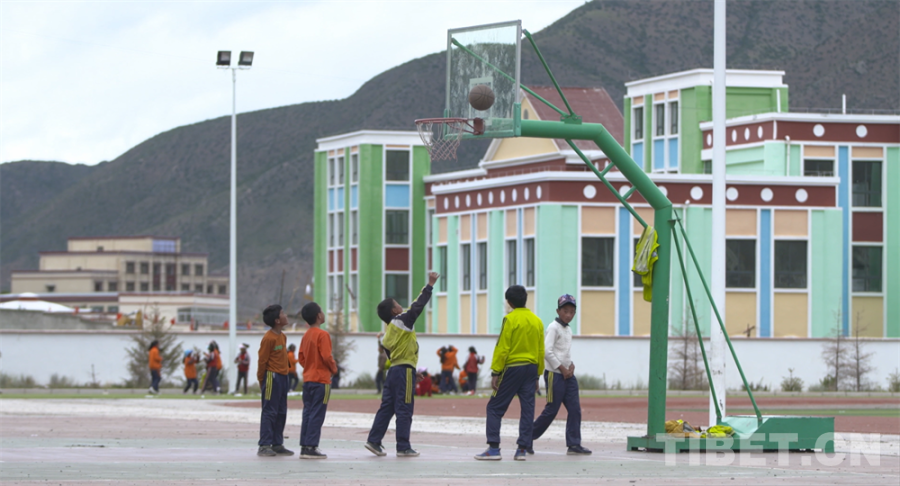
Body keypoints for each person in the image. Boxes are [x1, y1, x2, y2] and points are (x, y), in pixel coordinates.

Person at [365, 271, 439, 458]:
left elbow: (393, 355)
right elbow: (417, 306)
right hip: (404, 371)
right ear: (394, 311)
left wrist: (412, 371)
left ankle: (374, 440)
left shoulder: (388, 332)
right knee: (404, 408)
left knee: (387, 407)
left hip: (394, 372)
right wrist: (429, 285)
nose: (401, 306)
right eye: (397, 304)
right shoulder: (402, 320)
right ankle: (403, 446)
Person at [475, 285, 544, 461]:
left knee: (494, 407)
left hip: (513, 368)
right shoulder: (537, 321)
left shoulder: (509, 319)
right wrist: (538, 374)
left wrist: (495, 372)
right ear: (525, 299)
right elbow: (540, 350)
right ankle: (522, 449)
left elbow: (502, 347)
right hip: (531, 369)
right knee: (527, 409)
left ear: (509, 303)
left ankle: (493, 448)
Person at [531, 294, 592, 455]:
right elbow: (547, 351)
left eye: (572, 312)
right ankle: (527, 438)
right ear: (558, 311)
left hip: (568, 376)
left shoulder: (568, 329)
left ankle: (574, 444)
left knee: (575, 409)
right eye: (565, 311)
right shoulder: (553, 327)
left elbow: (564, 352)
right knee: (552, 410)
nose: (568, 315)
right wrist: (562, 369)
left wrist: (570, 365)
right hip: (554, 375)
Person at [297, 302, 338, 459]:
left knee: (307, 412)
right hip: (321, 380)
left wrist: (309, 366)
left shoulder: (306, 335)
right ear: (319, 316)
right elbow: (327, 356)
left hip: (308, 379)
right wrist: (333, 369)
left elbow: (301, 357)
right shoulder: (323, 335)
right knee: (318, 413)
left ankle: (304, 446)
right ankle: (312, 446)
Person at [256, 304, 294, 457]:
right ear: (277, 320)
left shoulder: (282, 336)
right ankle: (264, 444)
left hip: (283, 377)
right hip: (272, 377)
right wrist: (262, 380)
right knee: (270, 411)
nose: (286, 315)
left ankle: (277, 444)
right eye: (283, 313)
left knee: (281, 411)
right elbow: (262, 361)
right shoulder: (268, 338)